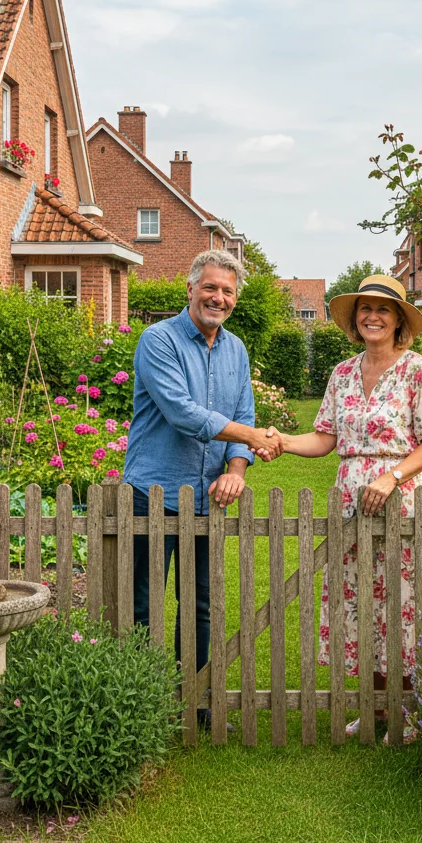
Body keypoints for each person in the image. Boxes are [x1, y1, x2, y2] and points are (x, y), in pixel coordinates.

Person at [266, 274, 422, 743]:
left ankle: (413, 711)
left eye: (383, 309)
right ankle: (377, 709)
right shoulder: (342, 373)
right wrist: (282, 442)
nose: (372, 316)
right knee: (362, 599)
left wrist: (391, 476)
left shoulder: (418, 371)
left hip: (403, 499)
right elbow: (326, 437)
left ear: (399, 321)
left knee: (406, 603)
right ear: (354, 319)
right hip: (351, 499)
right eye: (365, 308)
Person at [123, 249, 282, 727]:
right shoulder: (159, 340)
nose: (218, 297)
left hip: (208, 496)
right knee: (144, 604)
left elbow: (245, 413)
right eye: (210, 287)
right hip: (153, 492)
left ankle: (197, 701)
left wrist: (236, 470)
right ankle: (142, 706)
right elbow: (183, 413)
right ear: (190, 289)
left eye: (227, 291)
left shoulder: (236, 349)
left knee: (201, 604)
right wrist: (251, 438)